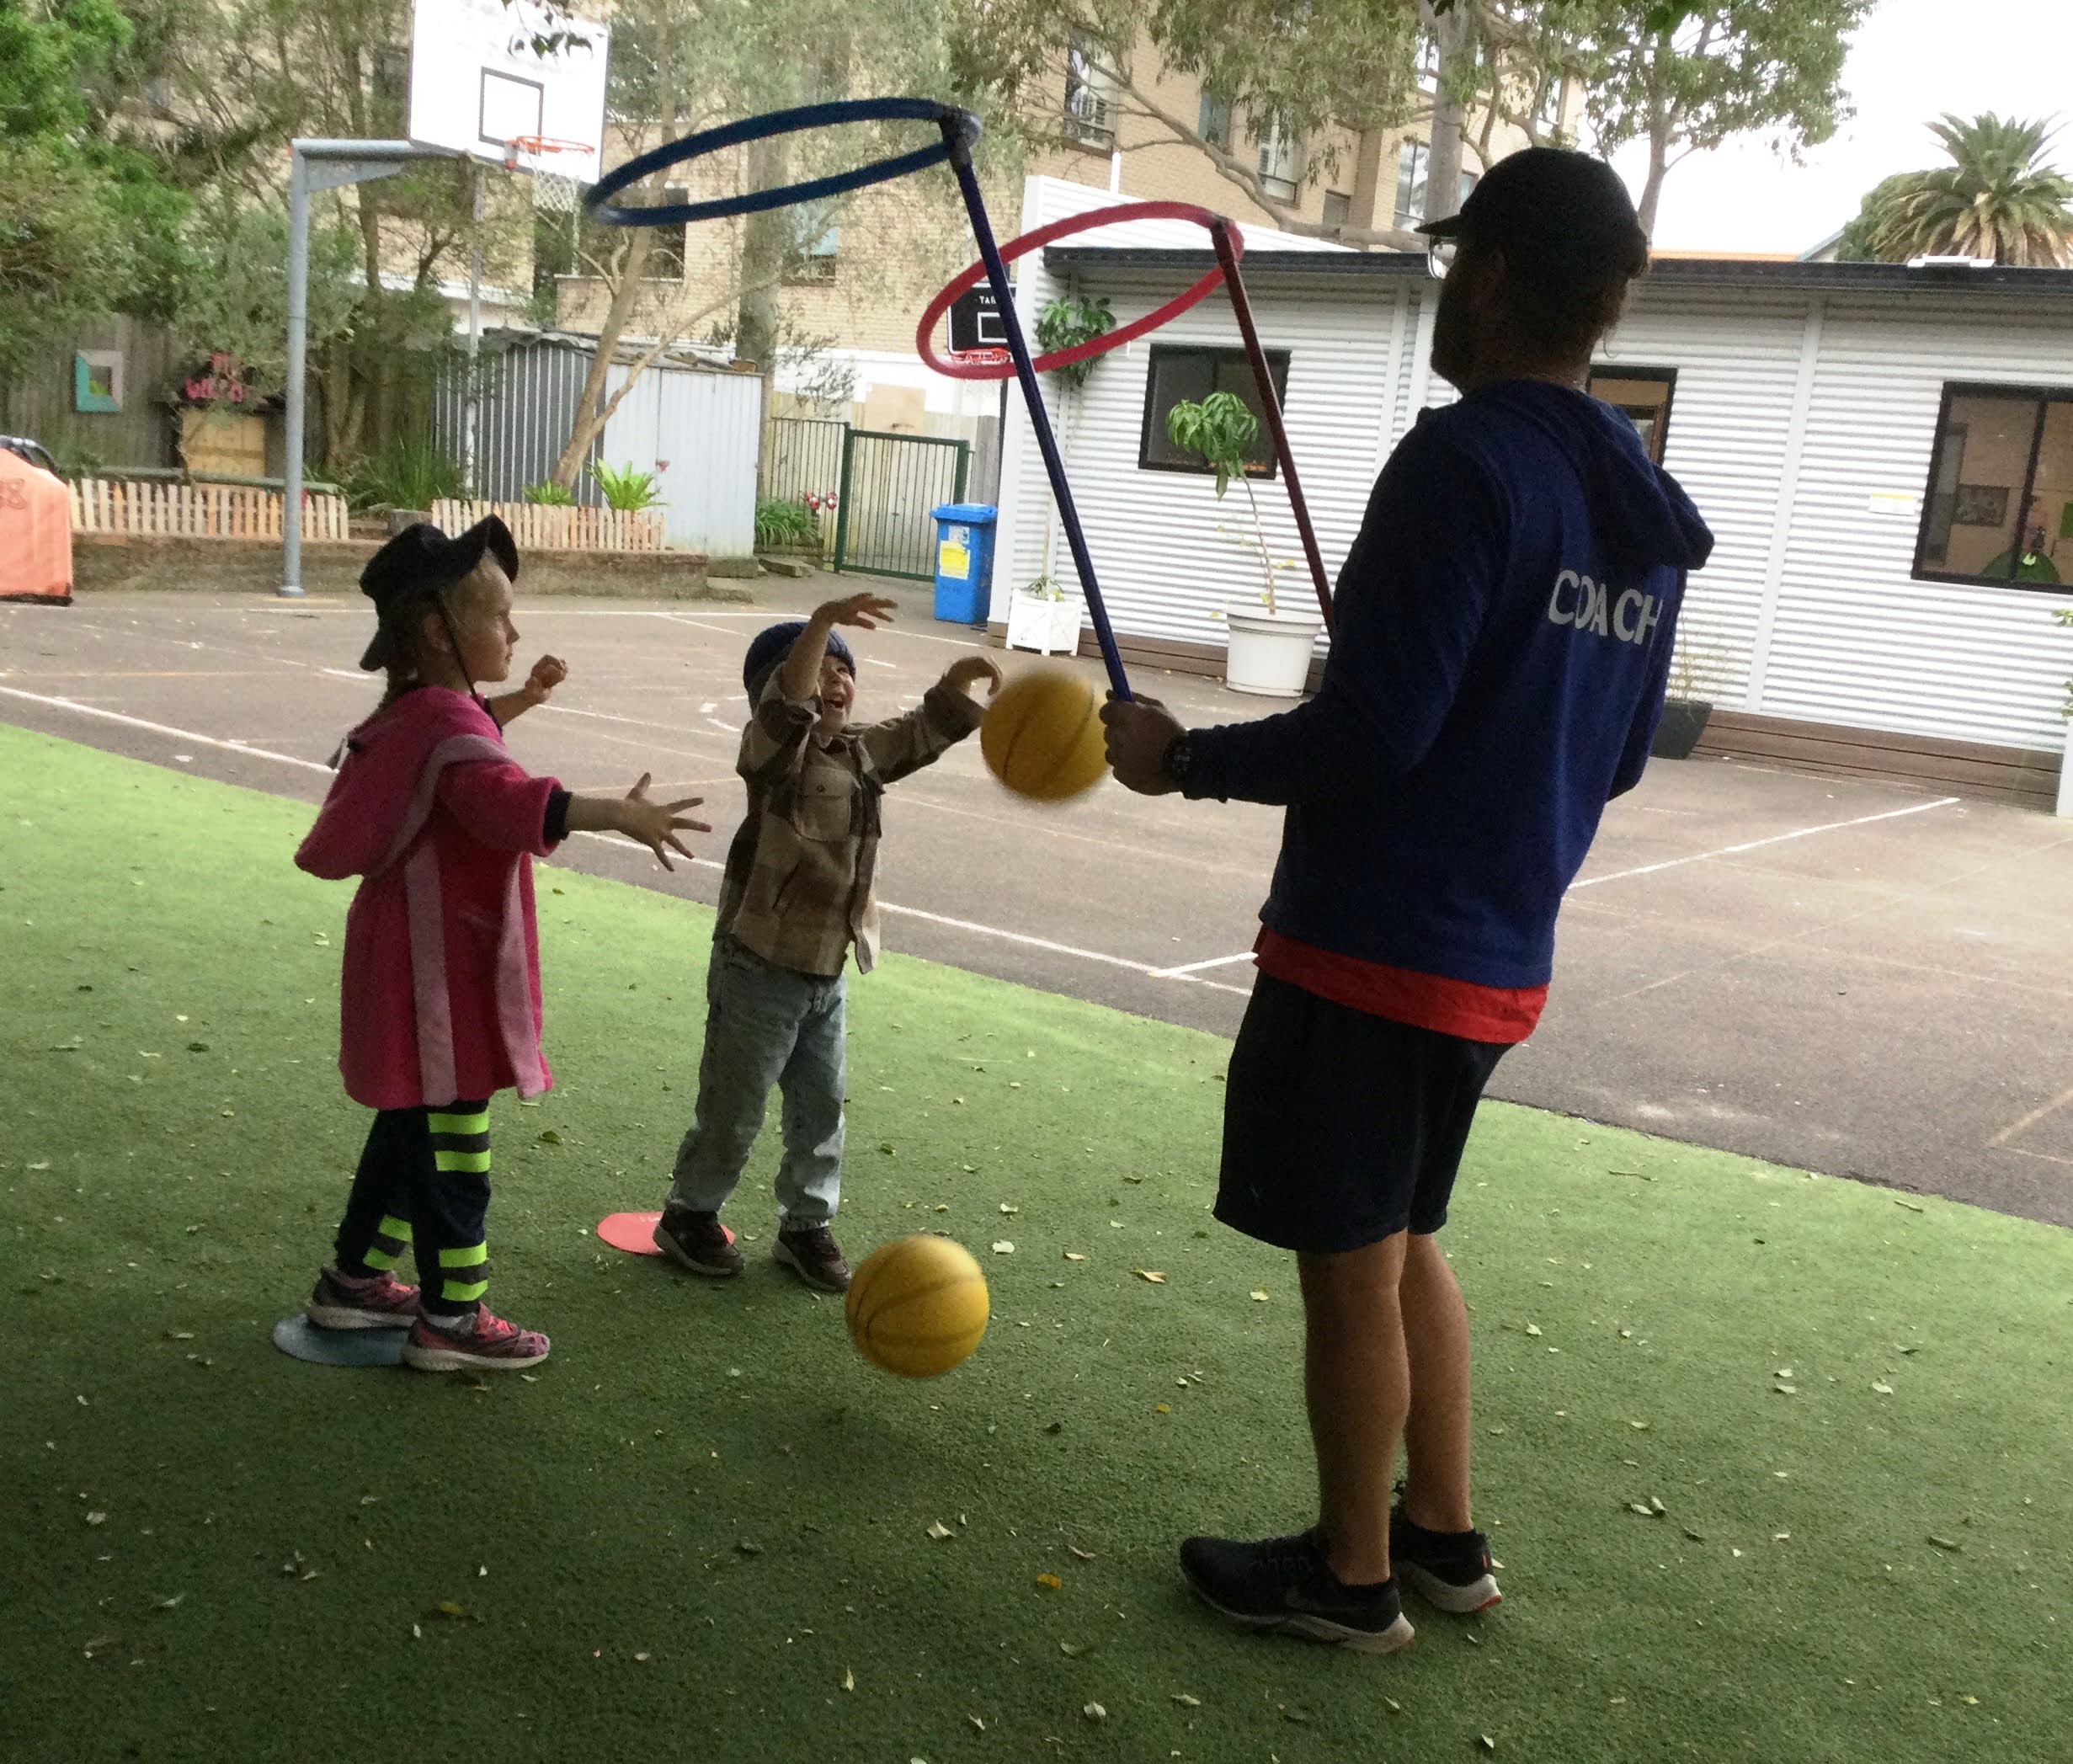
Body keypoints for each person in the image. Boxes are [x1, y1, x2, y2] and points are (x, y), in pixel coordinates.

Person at [1102, 148, 1714, 1653]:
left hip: (1377, 947)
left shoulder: (1461, 466)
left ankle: (1352, 1579)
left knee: (1350, 1266)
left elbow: (1372, 737)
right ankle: (1440, 1543)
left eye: (1455, 265)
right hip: (1497, 954)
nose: (1446, 288)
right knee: (1405, 1237)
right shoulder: (1633, 502)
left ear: (1493, 278)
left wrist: (1179, 759)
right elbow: (1615, 756)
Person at [296, 517, 708, 1372]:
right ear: (437, 631)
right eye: (499, 617)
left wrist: (519, 702)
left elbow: (465, 741)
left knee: (408, 1131)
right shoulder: (447, 733)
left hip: (406, 972)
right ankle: (452, 1321)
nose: (514, 633)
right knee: (454, 1153)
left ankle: (353, 1281)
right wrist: (616, 813)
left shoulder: (418, 713)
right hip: (433, 982)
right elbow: (501, 798)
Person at [653, 594, 1001, 1294]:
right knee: (734, 1104)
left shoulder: (860, 752)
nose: (835, 681)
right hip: (758, 964)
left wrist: (956, 686)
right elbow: (788, 709)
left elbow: (920, 731)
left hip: (825, 968)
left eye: (844, 669)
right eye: (821, 670)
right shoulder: (770, 756)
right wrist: (818, 623)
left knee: (821, 1107)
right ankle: (690, 1214)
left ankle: (805, 1225)